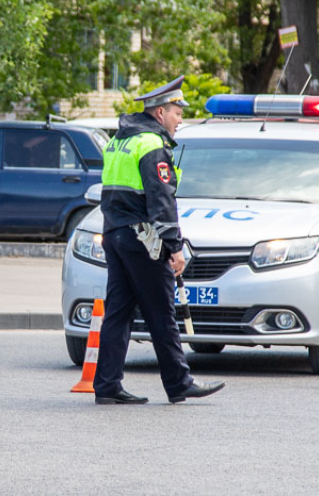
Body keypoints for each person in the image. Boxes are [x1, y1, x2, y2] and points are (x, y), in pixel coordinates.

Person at [94, 75, 225, 404]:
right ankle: (179, 382)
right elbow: (161, 199)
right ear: (159, 112)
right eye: (177, 112)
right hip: (143, 238)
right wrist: (174, 246)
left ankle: (107, 385)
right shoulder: (152, 144)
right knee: (162, 311)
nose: (180, 119)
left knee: (118, 313)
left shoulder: (120, 140)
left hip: (115, 233)